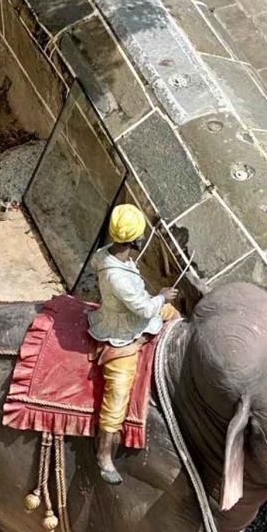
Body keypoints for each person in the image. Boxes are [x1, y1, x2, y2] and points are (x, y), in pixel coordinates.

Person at [86, 204, 179, 484]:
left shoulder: (107, 254)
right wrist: (161, 297)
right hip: (122, 332)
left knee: (176, 318)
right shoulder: (117, 277)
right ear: (134, 239)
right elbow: (144, 308)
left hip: (136, 315)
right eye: (140, 233)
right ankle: (104, 454)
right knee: (118, 390)